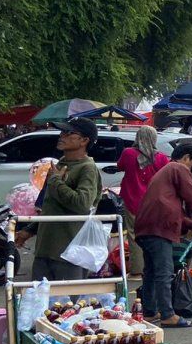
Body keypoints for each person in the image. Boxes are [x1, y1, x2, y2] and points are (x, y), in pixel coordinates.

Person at [135, 144, 192, 328]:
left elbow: (173, 210)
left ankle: (150, 311)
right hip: (158, 228)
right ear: (186, 158)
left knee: (152, 272)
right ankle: (168, 314)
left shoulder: (165, 172)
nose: (191, 169)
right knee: (164, 272)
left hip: (148, 226)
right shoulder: (178, 168)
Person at [32, 118, 103, 281]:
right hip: (45, 248)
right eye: (62, 131)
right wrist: (29, 230)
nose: (61, 136)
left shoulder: (87, 168)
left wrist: (56, 181)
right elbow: (50, 206)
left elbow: (82, 204)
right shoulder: (61, 164)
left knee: (66, 304)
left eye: (69, 133)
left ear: (84, 140)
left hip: (69, 252)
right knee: (38, 303)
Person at [116, 126, 169, 277]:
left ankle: (138, 269)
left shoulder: (128, 153)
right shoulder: (161, 158)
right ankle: (152, 267)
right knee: (153, 235)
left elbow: (119, 166)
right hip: (154, 203)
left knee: (133, 235)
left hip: (132, 200)